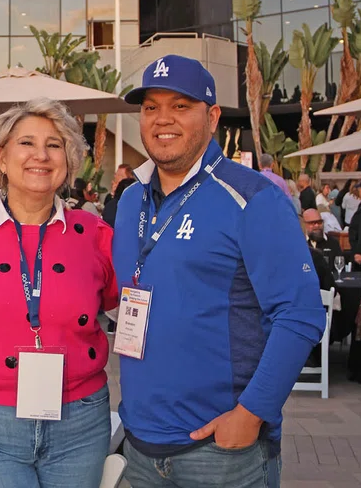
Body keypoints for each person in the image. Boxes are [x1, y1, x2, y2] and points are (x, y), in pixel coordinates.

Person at [113, 55, 324, 487]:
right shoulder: (131, 200)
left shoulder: (253, 198)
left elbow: (300, 314)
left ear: (211, 117)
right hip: (139, 445)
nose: (162, 119)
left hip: (220, 453)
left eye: (180, 105)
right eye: (151, 107)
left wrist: (250, 416)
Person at [0, 98, 117, 487]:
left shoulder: (94, 235)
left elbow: (122, 302)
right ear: (1, 157)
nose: (41, 155)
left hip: (81, 421)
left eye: (54, 145)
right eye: (26, 143)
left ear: (68, 160)